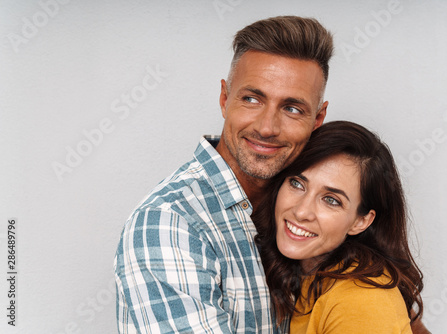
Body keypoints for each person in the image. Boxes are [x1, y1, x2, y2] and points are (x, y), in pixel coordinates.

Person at [114, 16, 332, 333]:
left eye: (292, 108)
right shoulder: (170, 223)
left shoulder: (307, 213)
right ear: (224, 98)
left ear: (318, 118)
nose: (267, 127)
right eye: (252, 99)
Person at [253, 120, 424, 333]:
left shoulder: (361, 300)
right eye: (297, 183)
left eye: (331, 200)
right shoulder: (309, 274)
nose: (301, 211)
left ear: (361, 221)